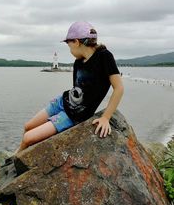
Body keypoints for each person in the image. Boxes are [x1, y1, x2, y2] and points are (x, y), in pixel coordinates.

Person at [16, 21, 124, 153]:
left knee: (28, 138)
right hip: (62, 101)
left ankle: (16, 158)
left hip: (74, 116)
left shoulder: (104, 57)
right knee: (28, 127)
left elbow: (119, 88)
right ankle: (18, 155)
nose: (70, 50)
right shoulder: (78, 62)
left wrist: (106, 117)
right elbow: (77, 90)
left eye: (69, 46)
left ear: (77, 42)